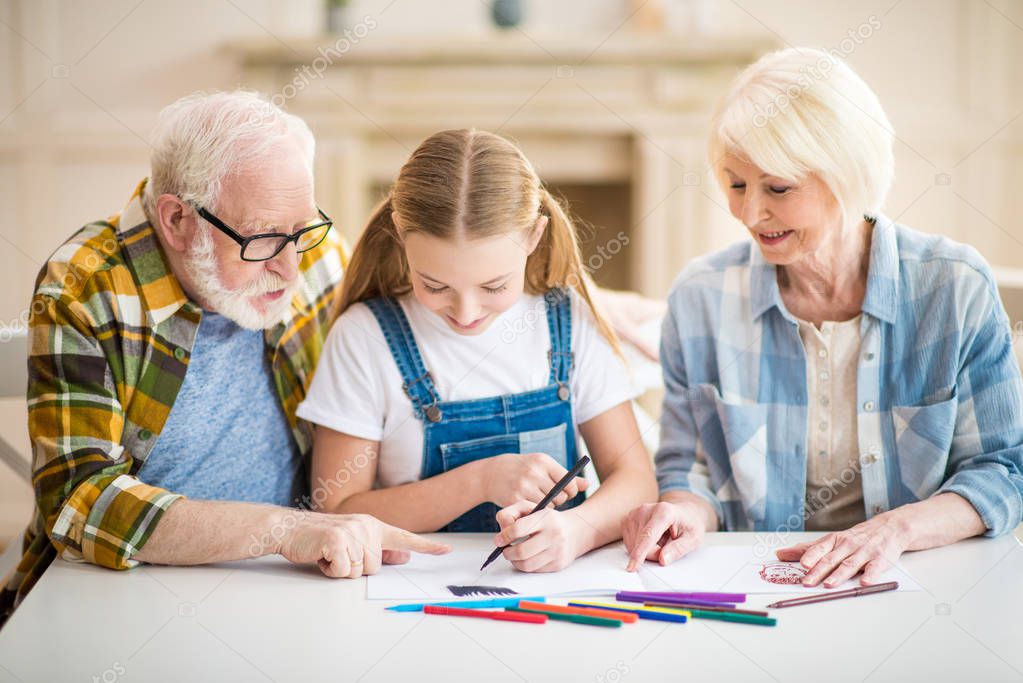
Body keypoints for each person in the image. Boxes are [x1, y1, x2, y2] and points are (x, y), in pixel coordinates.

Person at [0, 91, 452, 628]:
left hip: (298, 588)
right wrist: (283, 530)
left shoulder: (319, 258)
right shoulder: (84, 287)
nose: (290, 269)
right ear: (177, 221)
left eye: (301, 230)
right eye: (262, 239)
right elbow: (78, 502)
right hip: (128, 593)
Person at [623, 48, 1023, 588]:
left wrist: (895, 530)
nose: (748, 213)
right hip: (762, 585)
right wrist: (681, 514)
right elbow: (688, 470)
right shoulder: (700, 299)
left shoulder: (953, 288)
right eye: (736, 184)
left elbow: (1005, 470)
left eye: (778, 188)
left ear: (846, 173)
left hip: (919, 579)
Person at [298, 129, 658, 573]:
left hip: (549, 591)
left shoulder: (569, 322)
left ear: (534, 236)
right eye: (435, 285)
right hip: (416, 594)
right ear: (399, 234)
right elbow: (335, 512)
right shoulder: (364, 339)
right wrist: (481, 481)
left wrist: (579, 529)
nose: (466, 312)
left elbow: (637, 481)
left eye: (494, 286)